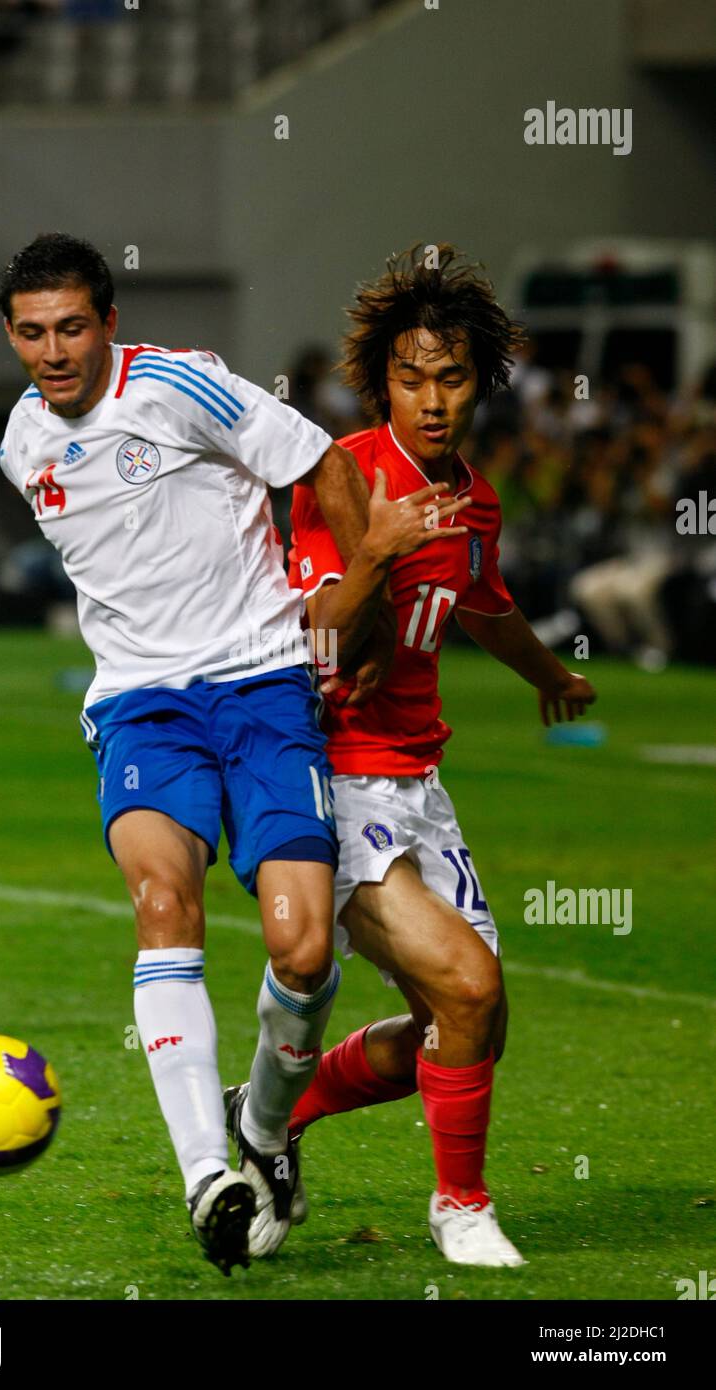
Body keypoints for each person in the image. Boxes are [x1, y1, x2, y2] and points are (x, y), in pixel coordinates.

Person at [0, 232, 435, 1276]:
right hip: (142, 708)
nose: (51, 351)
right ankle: (208, 1179)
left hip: (264, 686)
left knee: (303, 949)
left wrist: (351, 632)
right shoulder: (20, 446)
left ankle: (263, 1130)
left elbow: (320, 464)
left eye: (69, 327)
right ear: (8, 336)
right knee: (162, 903)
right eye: (28, 333)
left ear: (106, 320)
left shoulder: (183, 385)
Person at [228, 243, 598, 1267]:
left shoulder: (470, 495)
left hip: (419, 783)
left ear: (478, 381)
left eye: (449, 378)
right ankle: (460, 1207)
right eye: (407, 378)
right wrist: (377, 549)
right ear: (378, 380)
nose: (428, 400)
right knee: (467, 987)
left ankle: (273, 1114)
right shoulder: (343, 477)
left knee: (467, 1025)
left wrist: (545, 678)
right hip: (335, 777)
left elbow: (481, 596)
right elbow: (319, 639)